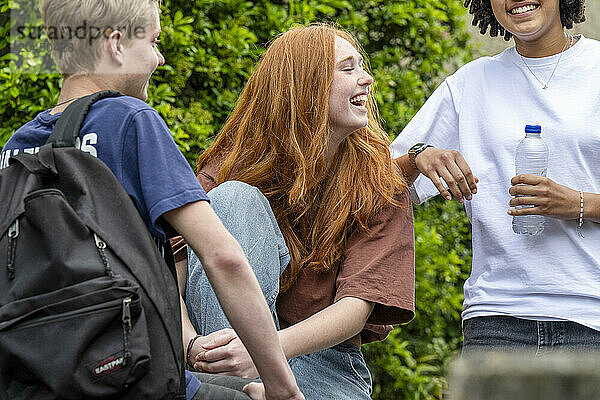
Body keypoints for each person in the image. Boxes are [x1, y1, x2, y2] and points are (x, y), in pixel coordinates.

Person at [0, 1, 304, 399]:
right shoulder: (130, 121)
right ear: (116, 44)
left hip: (38, 380)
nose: (159, 58)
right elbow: (222, 257)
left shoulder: (16, 147)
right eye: (154, 41)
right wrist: (283, 388)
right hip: (134, 375)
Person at [174, 24, 415, 399]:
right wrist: (191, 346)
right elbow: (172, 273)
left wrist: (264, 351)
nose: (367, 79)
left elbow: (357, 306)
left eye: (361, 66)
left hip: (326, 363)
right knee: (234, 198)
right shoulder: (231, 165)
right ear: (306, 85)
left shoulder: (381, 182)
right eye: (347, 68)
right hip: (228, 356)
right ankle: (237, 391)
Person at [390, 0, 600, 352]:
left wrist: (577, 203)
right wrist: (418, 156)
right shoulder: (470, 84)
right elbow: (373, 181)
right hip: (496, 321)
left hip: (591, 316)